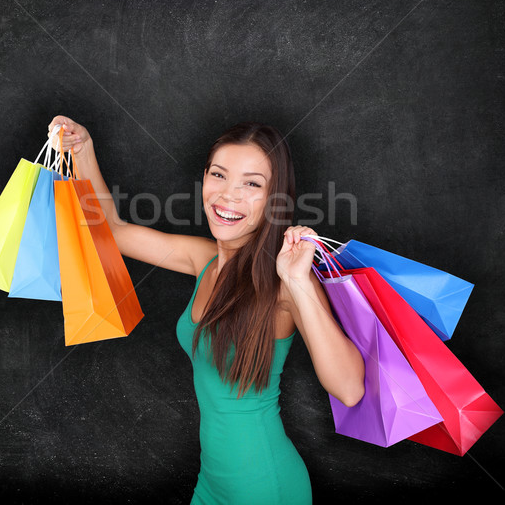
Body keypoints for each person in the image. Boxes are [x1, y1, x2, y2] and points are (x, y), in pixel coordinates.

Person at [48, 116, 365, 505]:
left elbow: (349, 389)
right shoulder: (204, 260)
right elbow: (111, 231)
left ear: (275, 199)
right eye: (219, 175)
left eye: (251, 184)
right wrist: (84, 151)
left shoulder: (285, 282)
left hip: (264, 488)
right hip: (212, 484)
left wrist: (299, 281)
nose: (228, 196)